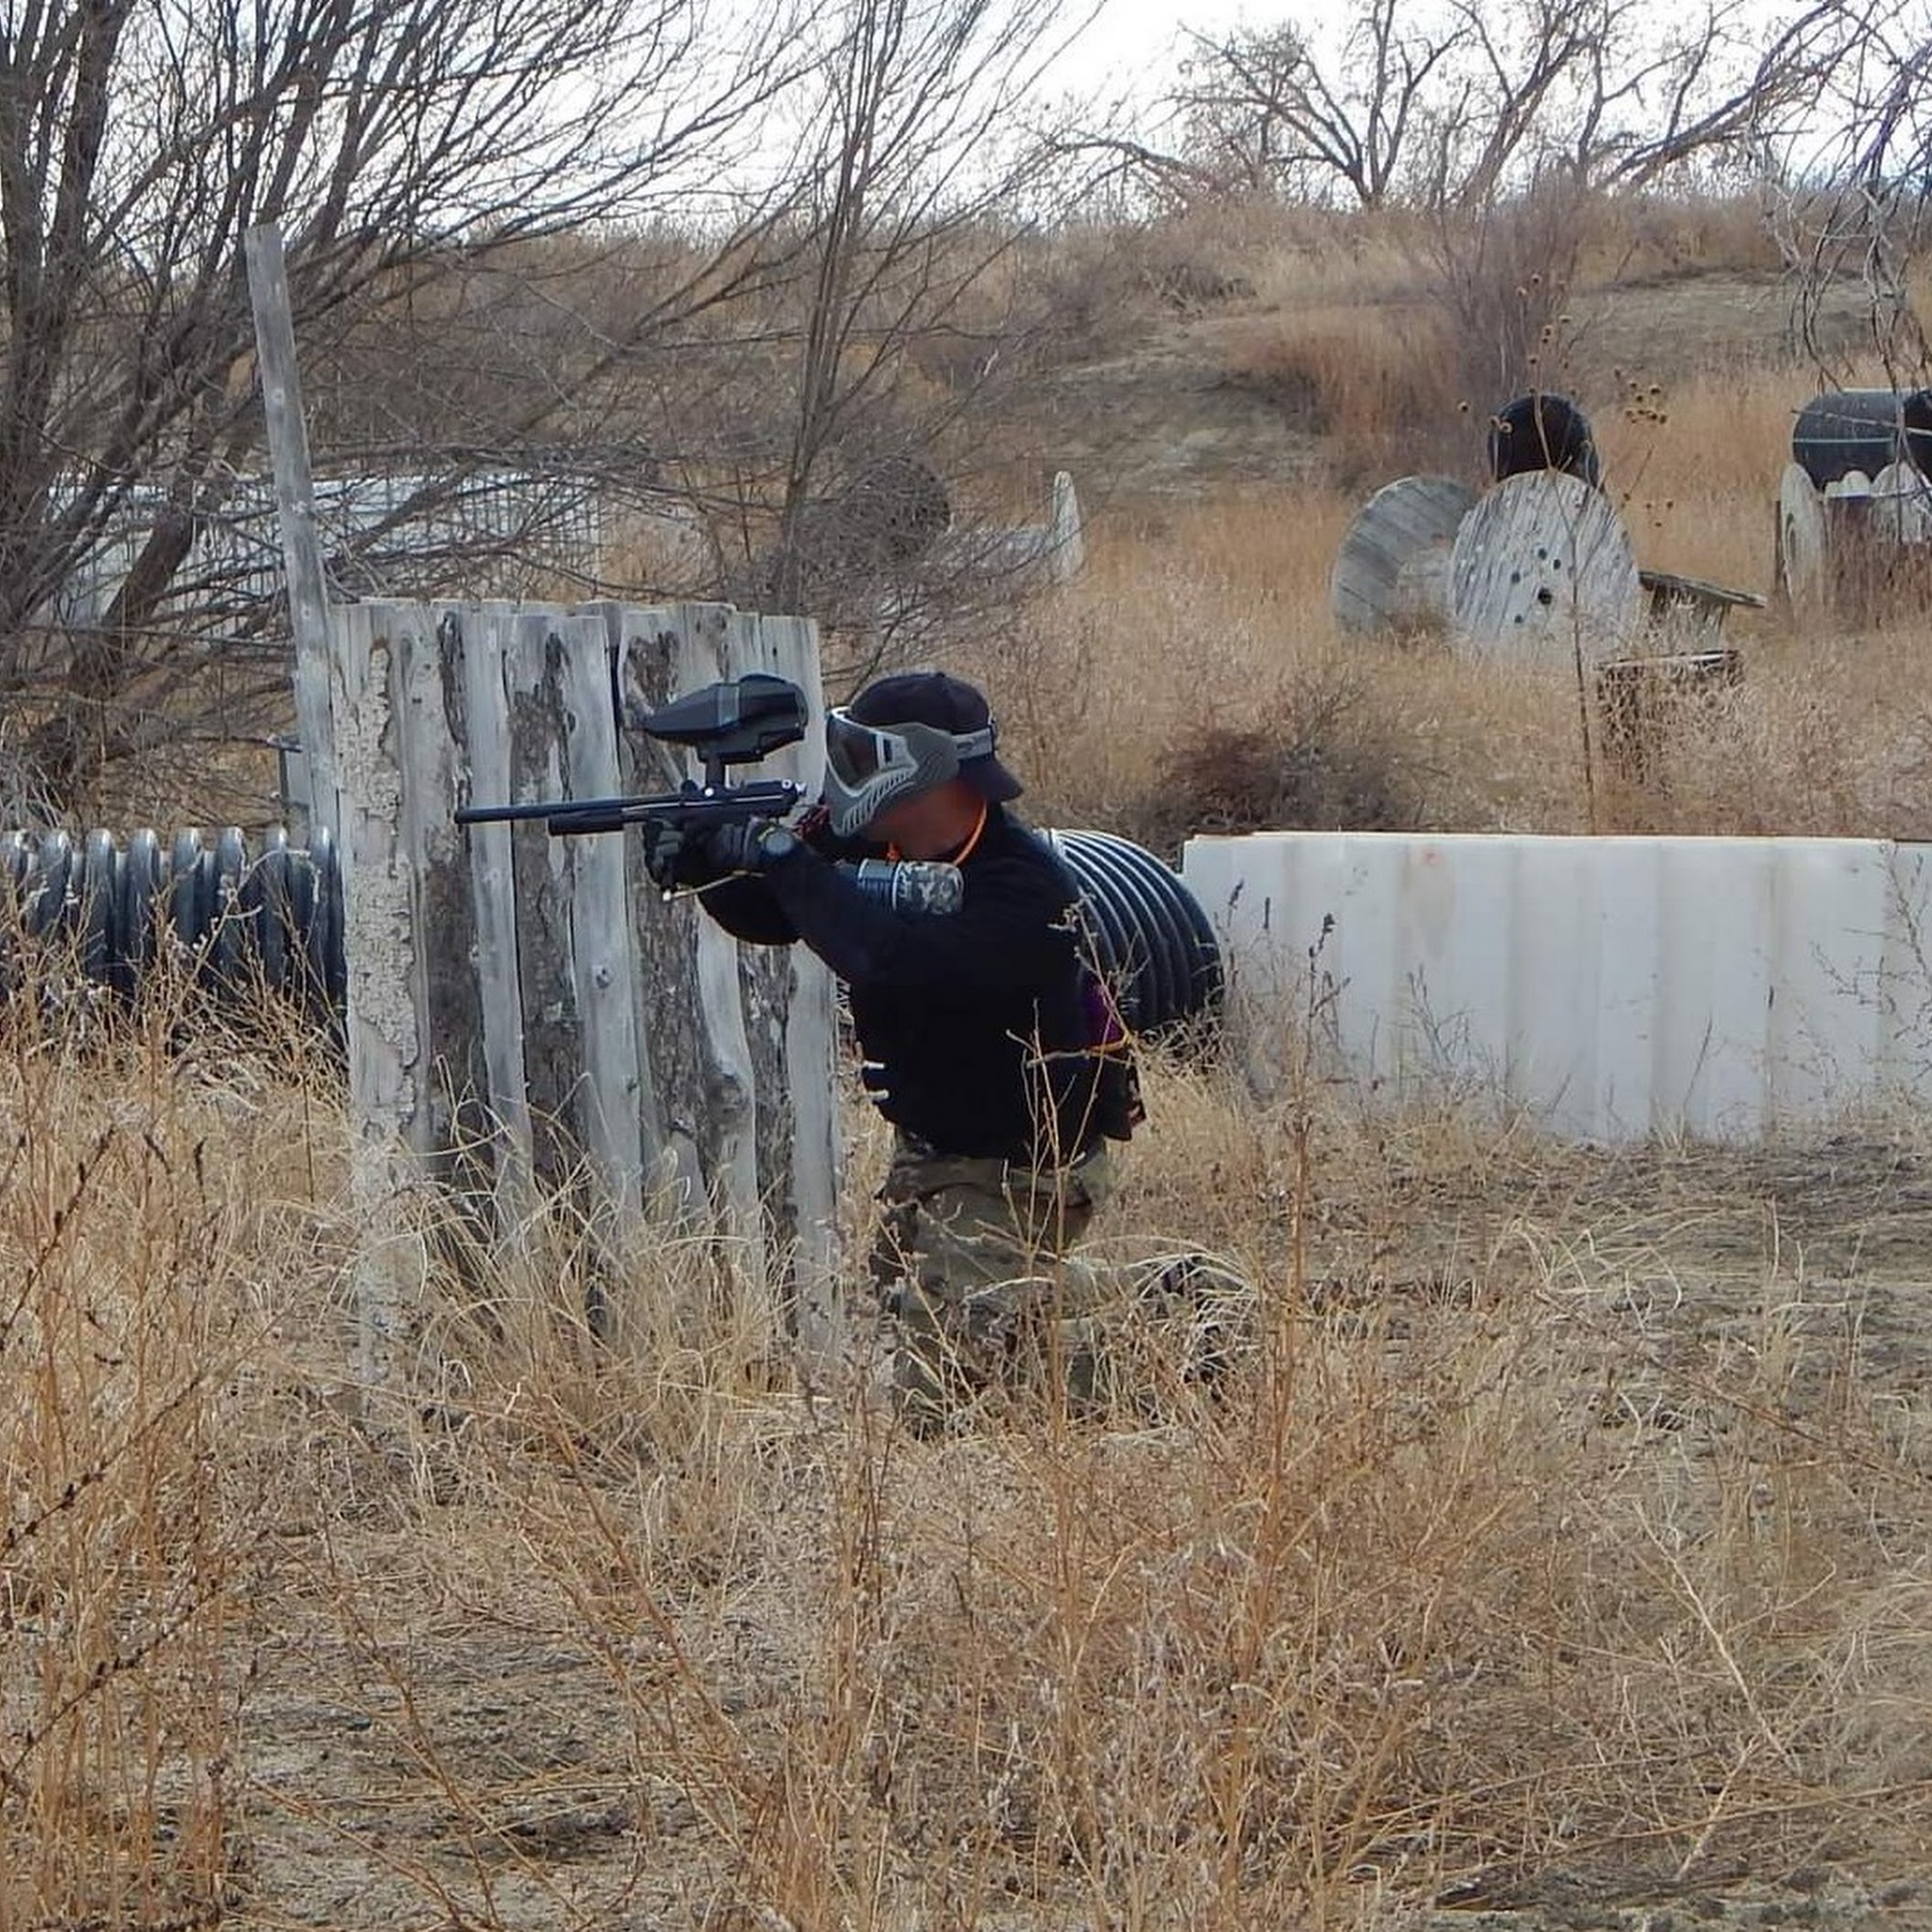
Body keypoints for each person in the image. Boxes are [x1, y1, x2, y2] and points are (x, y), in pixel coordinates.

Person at [639, 668, 1142, 1434]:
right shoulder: (875, 839)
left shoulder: (1025, 892)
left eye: (866, 756)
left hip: (1026, 1165)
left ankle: (1157, 1322)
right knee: (917, 1321)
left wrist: (782, 857)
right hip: (935, 1152)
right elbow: (784, 913)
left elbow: (890, 959)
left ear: (927, 768)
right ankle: (1048, 1298)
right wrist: (707, 864)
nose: (846, 779)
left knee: (939, 1400)